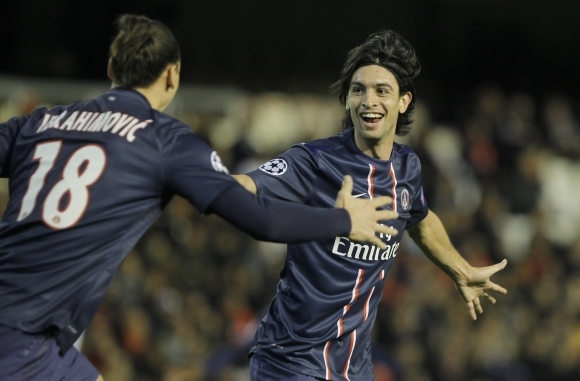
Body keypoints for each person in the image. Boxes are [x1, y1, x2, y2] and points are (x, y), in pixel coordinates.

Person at [0, 16, 400, 381]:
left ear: (110, 69)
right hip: (24, 337)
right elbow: (261, 220)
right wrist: (344, 220)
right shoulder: (164, 141)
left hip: (40, 340)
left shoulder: (40, 121)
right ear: (172, 77)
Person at [233, 30, 509, 381]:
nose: (368, 101)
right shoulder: (315, 160)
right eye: (358, 89)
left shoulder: (407, 168)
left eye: (382, 91)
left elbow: (419, 219)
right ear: (347, 99)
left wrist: (461, 269)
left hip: (353, 369)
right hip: (290, 363)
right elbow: (243, 188)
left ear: (404, 101)